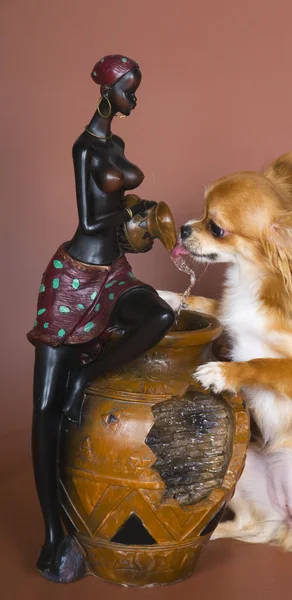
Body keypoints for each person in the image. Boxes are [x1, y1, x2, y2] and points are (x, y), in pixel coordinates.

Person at [27, 54, 175, 582]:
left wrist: (152, 226)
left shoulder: (114, 147)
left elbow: (122, 199)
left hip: (112, 273)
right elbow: (93, 217)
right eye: (130, 90)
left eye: (137, 89)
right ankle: (52, 534)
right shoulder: (87, 148)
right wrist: (132, 196)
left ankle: (87, 377)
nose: (135, 98)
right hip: (73, 280)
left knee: (156, 315)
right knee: (45, 410)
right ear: (108, 91)